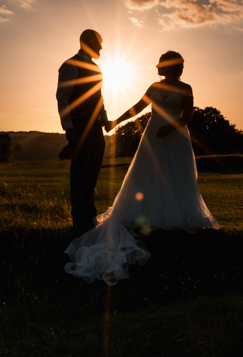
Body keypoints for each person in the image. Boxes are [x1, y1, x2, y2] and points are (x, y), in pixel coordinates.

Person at [64, 50, 219, 285]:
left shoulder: (186, 88)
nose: (161, 69)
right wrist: (115, 122)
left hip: (175, 135)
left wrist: (171, 127)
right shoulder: (154, 87)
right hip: (154, 135)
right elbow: (138, 108)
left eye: (165, 65)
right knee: (150, 174)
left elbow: (188, 116)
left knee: (177, 174)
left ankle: (177, 214)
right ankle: (147, 214)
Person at [56, 29, 111, 236]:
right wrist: (69, 128)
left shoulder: (97, 69)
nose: (101, 48)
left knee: (92, 173)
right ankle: (79, 220)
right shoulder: (69, 66)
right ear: (87, 42)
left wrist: (105, 121)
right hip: (79, 127)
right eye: (99, 43)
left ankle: (89, 215)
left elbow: (99, 97)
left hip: (96, 128)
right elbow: (63, 97)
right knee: (79, 173)